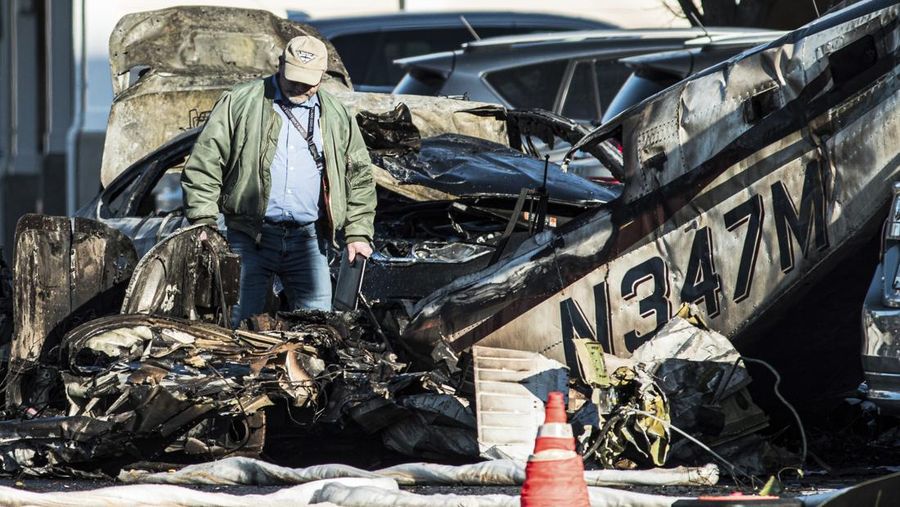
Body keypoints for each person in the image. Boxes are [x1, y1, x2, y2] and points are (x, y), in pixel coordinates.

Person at [181, 35, 376, 326]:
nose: (300, 87)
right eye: (293, 78)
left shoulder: (336, 115)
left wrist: (358, 232)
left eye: (309, 81)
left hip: (309, 240)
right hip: (249, 237)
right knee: (240, 327)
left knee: (319, 328)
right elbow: (205, 163)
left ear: (322, 76)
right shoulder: (241, 101)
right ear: (280, 65)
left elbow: (359, 175)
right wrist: (204, 220)